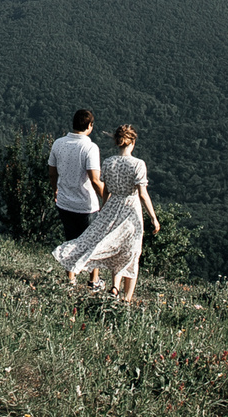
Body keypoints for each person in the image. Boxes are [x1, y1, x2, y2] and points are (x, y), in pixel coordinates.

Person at [51, 124, 158, 302]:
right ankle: (126, 299)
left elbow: (106, 190)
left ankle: (114, 288)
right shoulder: (138, 164)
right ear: (132, 142)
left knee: (114, 249)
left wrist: (105, 207)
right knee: (131, 252)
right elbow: (143, 194)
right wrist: (153, 218)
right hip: (131, 211)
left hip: (111, 207)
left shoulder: (108, 162)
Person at [44, 109, 104, 241]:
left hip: (64, 203)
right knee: (89, 246)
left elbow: (52, 174)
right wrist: (107, 198)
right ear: (89, 125)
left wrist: (55, 191)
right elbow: (95, 180)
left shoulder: (58, 143)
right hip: (85, 207)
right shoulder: (90, 148)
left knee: (71, 243)